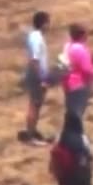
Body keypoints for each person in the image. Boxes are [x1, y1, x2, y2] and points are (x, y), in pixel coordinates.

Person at [52, 111, 93, 185]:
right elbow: (90, 154)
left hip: (67, 171)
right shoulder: (83, 137)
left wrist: (55, 171)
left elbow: (55, 153)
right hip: (82, 170)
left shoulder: (60, 137)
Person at [22, 11, 52, 143]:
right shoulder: (35, 37)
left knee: (37, 104)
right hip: (36, 77)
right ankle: (30, 135)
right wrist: (41, 79)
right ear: (44, 23)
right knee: (34, 105)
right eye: (48, 23)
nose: (49, 26)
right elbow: (34, 60)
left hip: (38, 76)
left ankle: (33, 131)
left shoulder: (38, 36)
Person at [61, 24, 93, 120]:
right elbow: (87, 69)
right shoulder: (80, 49)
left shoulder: (67, 46)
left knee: (70, 111)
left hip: (67, 83)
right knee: (77, 113)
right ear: (82, 35)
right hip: (79, 85)